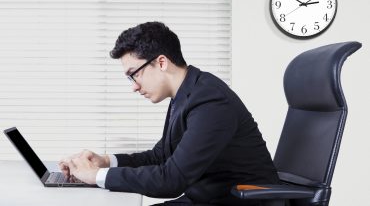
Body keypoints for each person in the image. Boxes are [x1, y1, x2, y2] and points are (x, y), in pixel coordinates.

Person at [59, 21, 279, 205]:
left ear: (161, 62)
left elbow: (172, 180)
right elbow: (161, 156)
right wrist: (106, 161)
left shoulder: (210, 100)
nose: (134, 86)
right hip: (208, 199)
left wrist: (95, 176)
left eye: (133, 74)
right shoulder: (186, 94)